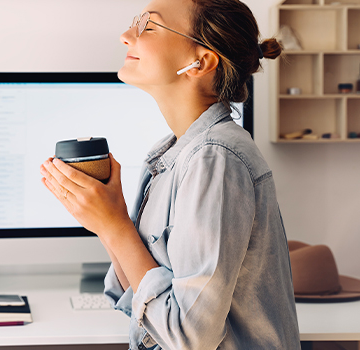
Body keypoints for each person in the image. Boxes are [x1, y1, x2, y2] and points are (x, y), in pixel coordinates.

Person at [40, 0, 300, 348]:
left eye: (148, 27)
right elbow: (137, 293)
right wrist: (105, 219)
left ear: (201, 62)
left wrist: (115, 227)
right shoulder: (175, 154)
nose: (125, 36)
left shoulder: (215, 159)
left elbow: (190, 336)